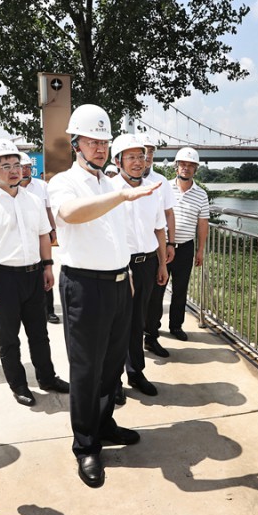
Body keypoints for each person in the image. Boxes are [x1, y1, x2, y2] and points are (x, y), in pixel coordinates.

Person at [48, 104, 159, 488]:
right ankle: (85, 445)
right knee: (86, 370)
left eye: (104, 141)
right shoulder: (64, 182)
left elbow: (118, 238)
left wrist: (126, 272)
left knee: (111, 368)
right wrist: (121, 198)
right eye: (92, 141)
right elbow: (71, 214)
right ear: (75, 143)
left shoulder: (110, 185)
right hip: (84, 286)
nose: (99, 148)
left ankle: (104, 424)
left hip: (117, 283)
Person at [0, 139, 68, 407]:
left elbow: (43, 235)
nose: (14, 171)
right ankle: (19, 385)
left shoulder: (34, 200)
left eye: (17, 165)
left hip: (33, 275)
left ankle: (47, 378)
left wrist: (47, 266)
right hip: (3, 279)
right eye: (5, 166)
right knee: (8, 337)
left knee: (39, 333)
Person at [108, 134, 168, 406]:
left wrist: (163, 263)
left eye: (141, 157)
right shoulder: (107, 190)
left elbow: (159, 228)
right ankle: (113, 380)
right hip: (120, 265)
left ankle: (136, 373)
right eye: (130, 157)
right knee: (116, 326)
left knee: (137, 322)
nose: (137, 162)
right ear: (118, 161)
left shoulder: (153, 189)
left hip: (147, 264)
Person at [145, 147, 209, 343]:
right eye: (183, 164)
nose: (186, 168)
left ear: (196, 169)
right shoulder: (164, 187)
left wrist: (200, 250)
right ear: (176, 167)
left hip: (186, 247)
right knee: (158, 289)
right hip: (162, 247)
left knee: (180, 290)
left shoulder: (201, 194)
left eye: (190, 165)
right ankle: (152, 329)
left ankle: (176, 326)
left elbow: (203, 223)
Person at [139, 133, 176, 358]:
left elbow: (168, 214)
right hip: (129, 253)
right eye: (143, 152)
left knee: (156, 296)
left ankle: (151, 337)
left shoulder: (160, 181)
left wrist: (171, 243)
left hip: (155, 249)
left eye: (150, 152)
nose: (147, 157)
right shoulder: (115, 183)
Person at [18, 152, 60, 324]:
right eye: (22, 167)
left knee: (45, 268)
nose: (25, 171)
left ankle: (49, 310)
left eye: (28, 167)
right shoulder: (13, 187)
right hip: (23, 236)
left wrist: (53, 229)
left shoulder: (42, 186)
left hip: (41, 233)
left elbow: (48, 209)